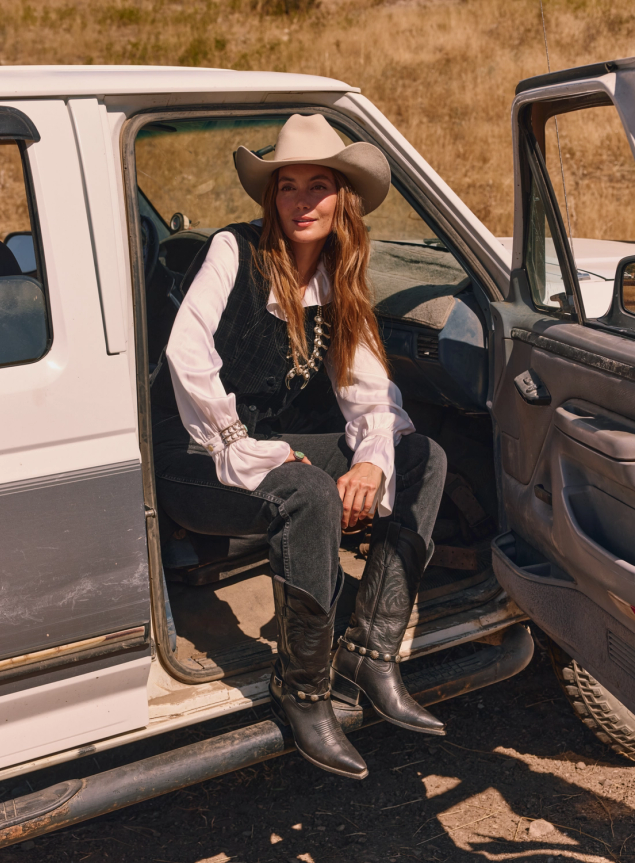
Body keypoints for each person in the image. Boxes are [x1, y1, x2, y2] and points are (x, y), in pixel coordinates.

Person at [150, 113, 447, 780]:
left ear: (342, 198)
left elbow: (371, 393)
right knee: (308, 487)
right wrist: (240, 445)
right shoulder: (234, 250)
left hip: (264, 444)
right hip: (195, 453)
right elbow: (186, 354)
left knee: (422, 457)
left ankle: (373, 651)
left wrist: (372, 456)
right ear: (271, 197)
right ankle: (305, 686)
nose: (304, 200)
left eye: (320, 185)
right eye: (289, 186)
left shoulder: (341, 276)